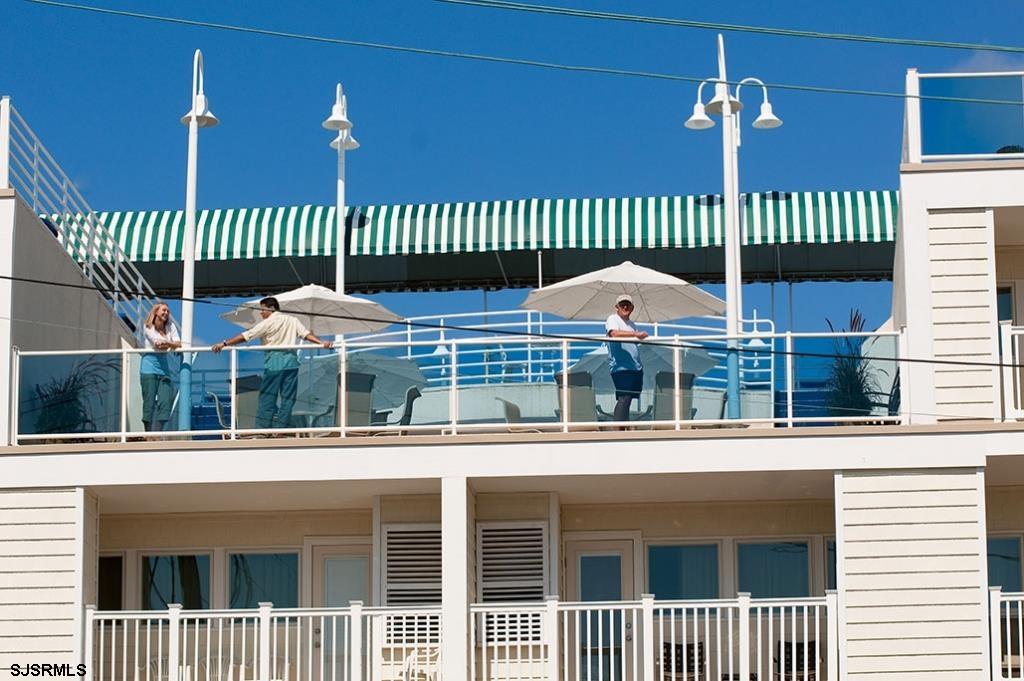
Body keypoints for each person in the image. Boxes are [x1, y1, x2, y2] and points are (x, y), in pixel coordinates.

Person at [212, 297, 332, 430]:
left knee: (268, 397)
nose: (261, 313)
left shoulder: (268, 323)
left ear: (271, 308)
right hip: (292, 362)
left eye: (262, 309)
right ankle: (281, 428)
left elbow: (246, 336)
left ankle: (263, 429)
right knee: (288, 398)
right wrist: (321, 343)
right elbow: (306, 334)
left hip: (274, 362)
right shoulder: (293, 320)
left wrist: (224, 343)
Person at [605, 294, 648, 425]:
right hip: (621, 367)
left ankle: (624, 427)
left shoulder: (632, 325)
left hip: (635, 368)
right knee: (624, 397)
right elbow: (614, 334)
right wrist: (636, 334)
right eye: (622, 304)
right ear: (616, 307)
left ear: (632, 308)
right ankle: (618, 430)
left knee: (629, 399)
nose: (625, 306)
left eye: (628, 304)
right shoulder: (613, 319)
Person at [140, 302, 181, 434]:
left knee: (165, 400)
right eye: (163, 310)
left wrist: (168, 344)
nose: (166, 313)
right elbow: (158, 345)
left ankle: (157, 434)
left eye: (168, 311)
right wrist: (172, 344)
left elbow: (177, 343)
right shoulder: (148, 326)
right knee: (149, 402)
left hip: (163, 366)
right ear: (156, 312)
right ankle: (148, 434)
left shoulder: (170, 326)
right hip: (148, 366)